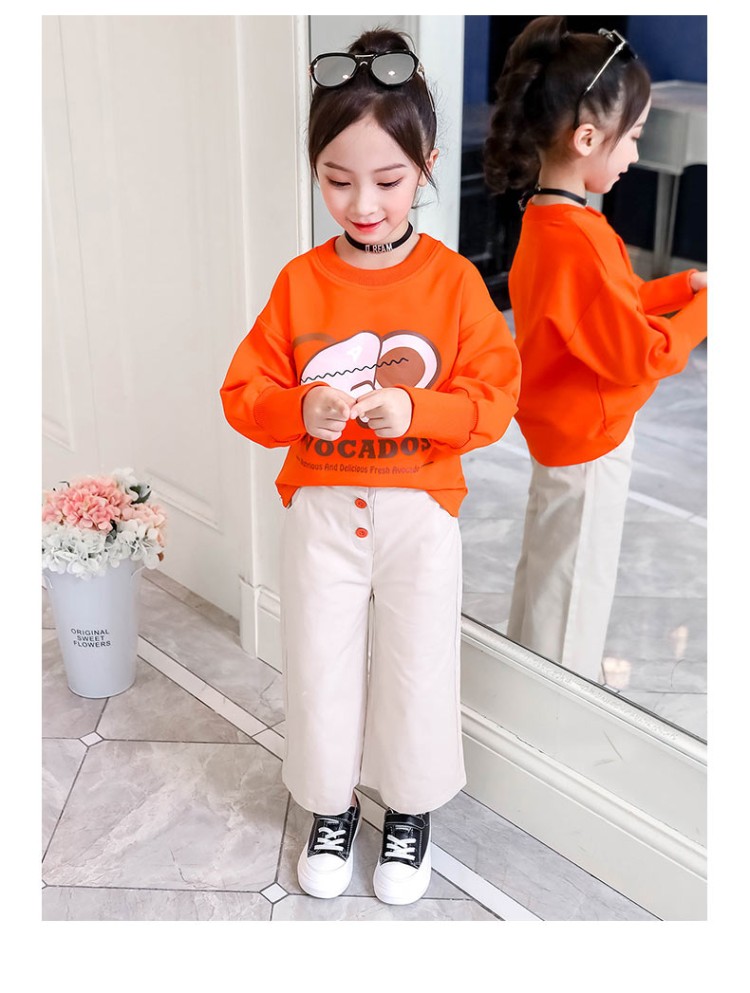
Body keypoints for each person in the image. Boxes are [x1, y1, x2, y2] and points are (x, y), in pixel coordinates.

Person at [220, 28, 521, 906]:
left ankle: (411, 809)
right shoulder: (299, 283)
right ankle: (330, 805)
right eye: (337, 179)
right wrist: (298, 408)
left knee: (418, 663)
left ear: (426, 166)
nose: (362, 203)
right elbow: (243, 392)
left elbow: (496, 399)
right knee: (319, 662)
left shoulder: (455, 283)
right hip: (322, 516)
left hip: (419, 517)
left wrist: (420, 411)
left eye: (388, 181)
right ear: (315, 169)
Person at [483, 15, 707, 683]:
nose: (635, 154)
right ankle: (550, 706)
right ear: (586, 138)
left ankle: (527, 685)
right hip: (588, 445)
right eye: (632, 137)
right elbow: (642, 353)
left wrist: (679, 288)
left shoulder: (547, 220)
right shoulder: (578, 239)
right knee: (573, 593)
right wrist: (706, 313)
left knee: (547, 577)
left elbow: (609, 303)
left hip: (562, 437)